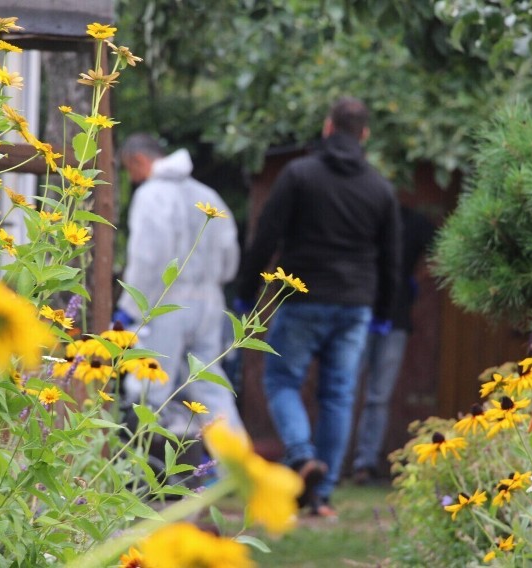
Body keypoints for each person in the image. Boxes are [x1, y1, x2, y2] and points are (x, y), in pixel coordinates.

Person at [235, 97, 401, 517]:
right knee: (338, 396)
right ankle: (322, 494)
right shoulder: (379, 188)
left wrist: (246, 291)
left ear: (328, 128)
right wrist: (383, 314)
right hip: (355, 305)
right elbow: (392, 258)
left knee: (282, 381)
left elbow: (265, 235)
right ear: (364, 134)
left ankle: (301, 454)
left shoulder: (299, 175)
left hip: (302, 298)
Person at [115, 133, 244, 436]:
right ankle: (232, 467)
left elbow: (148, 258)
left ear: (139, 161)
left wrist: (130, 309)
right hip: (210, 303)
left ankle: (146, 473)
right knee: (210, 387)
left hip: (166, 304)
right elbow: (230, 256)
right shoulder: (208, 194)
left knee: (150, 388)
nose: (130, 178)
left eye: (128, 169)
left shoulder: (151, 195)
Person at [351, 205, 435, 484]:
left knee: (377, 396)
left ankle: (365, 463)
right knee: (346, 391)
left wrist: (413, 281)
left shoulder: (414, 221)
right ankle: (333, 462)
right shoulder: (362, 215)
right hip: (359, 314)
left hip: (394, 318)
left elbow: (439, 254)